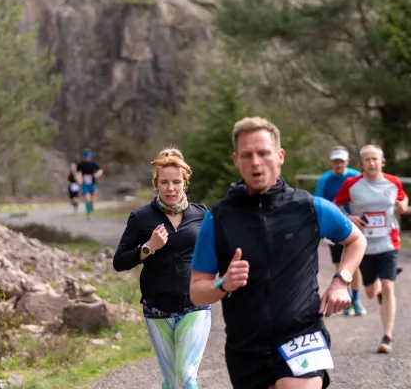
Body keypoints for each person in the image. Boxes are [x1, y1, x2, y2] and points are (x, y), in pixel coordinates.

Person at [189, 117, 367, 389]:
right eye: (247, 155)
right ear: (236, 160)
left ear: (280, 156)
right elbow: (197, 290)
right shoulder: (219, 218)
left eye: (263, 153)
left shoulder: (310, 208)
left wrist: (341, 280)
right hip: (246, 345)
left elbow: (356, 240)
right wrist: (223, 284)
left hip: (301, 333)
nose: (256, 162)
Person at [113, 147, 211, 389]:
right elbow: (119, 262)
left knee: (187, 377)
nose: (171, 188)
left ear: (185, 182)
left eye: (176, 182)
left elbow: (218, 251)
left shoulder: (201, 214)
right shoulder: (142, 217)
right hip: (157, 309)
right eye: (164, 182)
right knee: (174, 382)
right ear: (156, 183)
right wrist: (148, 247)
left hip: (195, 305)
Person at [333, 144, 408, 354]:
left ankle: (387, 337)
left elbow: (402, 197)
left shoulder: (392, 182)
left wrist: (402, 204)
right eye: (367, 160)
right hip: (363, 246)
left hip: (388, 243)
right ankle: (378, 281)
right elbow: (335, 206)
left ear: (382, 162)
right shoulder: (352, 184)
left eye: (375, 159)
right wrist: (350, 218)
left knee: (387, 286)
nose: (372, 163)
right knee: (371, 291)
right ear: (362, 164)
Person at [314, 146, 366, 316]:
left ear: (347, 161)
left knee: (353, 265)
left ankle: (356, 299)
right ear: (331, 162)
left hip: (353, 227)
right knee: (339, 265)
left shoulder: (355, 176)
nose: (339, 164)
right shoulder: (325, 180)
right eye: (336, 161)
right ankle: (347, 299)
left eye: (341, 161)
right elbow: (320, 203)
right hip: (334, 227)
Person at [76, 150, 103, 219]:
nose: (87, 158)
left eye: (88, 157)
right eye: (86, 157)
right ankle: (88, 214)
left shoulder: (93, 164)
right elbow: (78, 172)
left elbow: (100, 170)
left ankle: (92, 205)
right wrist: (79, 179)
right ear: (84, 157)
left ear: (90, 157)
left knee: (93, 199)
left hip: (92, 184)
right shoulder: (81, 164)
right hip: (85, 184)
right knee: (87, 198)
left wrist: (97, 174)